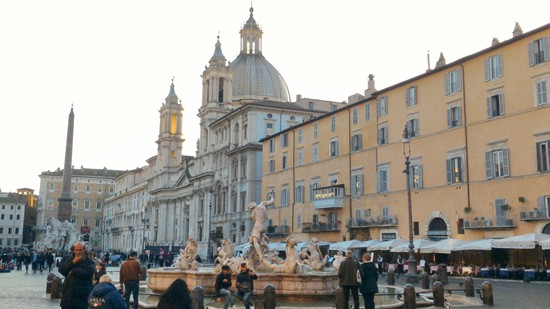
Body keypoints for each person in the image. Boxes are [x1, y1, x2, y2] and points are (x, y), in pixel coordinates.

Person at [58, 242, 95, 309]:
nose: (78, 252)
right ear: (74, 250)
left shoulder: (89, 261)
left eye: (80, 250)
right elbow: (62, 270)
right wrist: (73, 262)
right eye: (77, 250)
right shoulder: (70, 258)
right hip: (68, 294)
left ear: (84, 250)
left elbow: (88, 273)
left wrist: (73, 271)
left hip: (82, 295)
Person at [248, 192, 274, 262]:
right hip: (264, 227)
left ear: (251, 208)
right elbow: (272, 201)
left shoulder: (253, 214)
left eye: (250, 210)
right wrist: (271, 196)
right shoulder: (262, 204)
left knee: (255, 241)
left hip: (258, 227)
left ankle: (261, 256)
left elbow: (256, 221)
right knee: (262, 240)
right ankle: (268, 251)